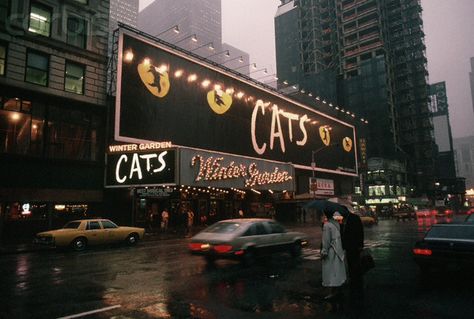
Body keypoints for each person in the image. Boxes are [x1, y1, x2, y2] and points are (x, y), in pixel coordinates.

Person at [321, 211, 347, 301]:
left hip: (331, 252)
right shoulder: (336, 224)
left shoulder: (327, 225)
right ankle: (338, 290)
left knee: (331, 273)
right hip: (338, 250)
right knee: (337, 272)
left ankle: (333, 292)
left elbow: (326, 241)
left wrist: (324, 252)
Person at [341, 209, 365, 301]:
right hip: (349, 246)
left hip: (354, 245)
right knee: (350, 262)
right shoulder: (345, 219)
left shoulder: (354, 219)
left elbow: (360, 231)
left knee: (355, 262)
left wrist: (360, 245)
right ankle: (354, 277)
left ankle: (356, 279)